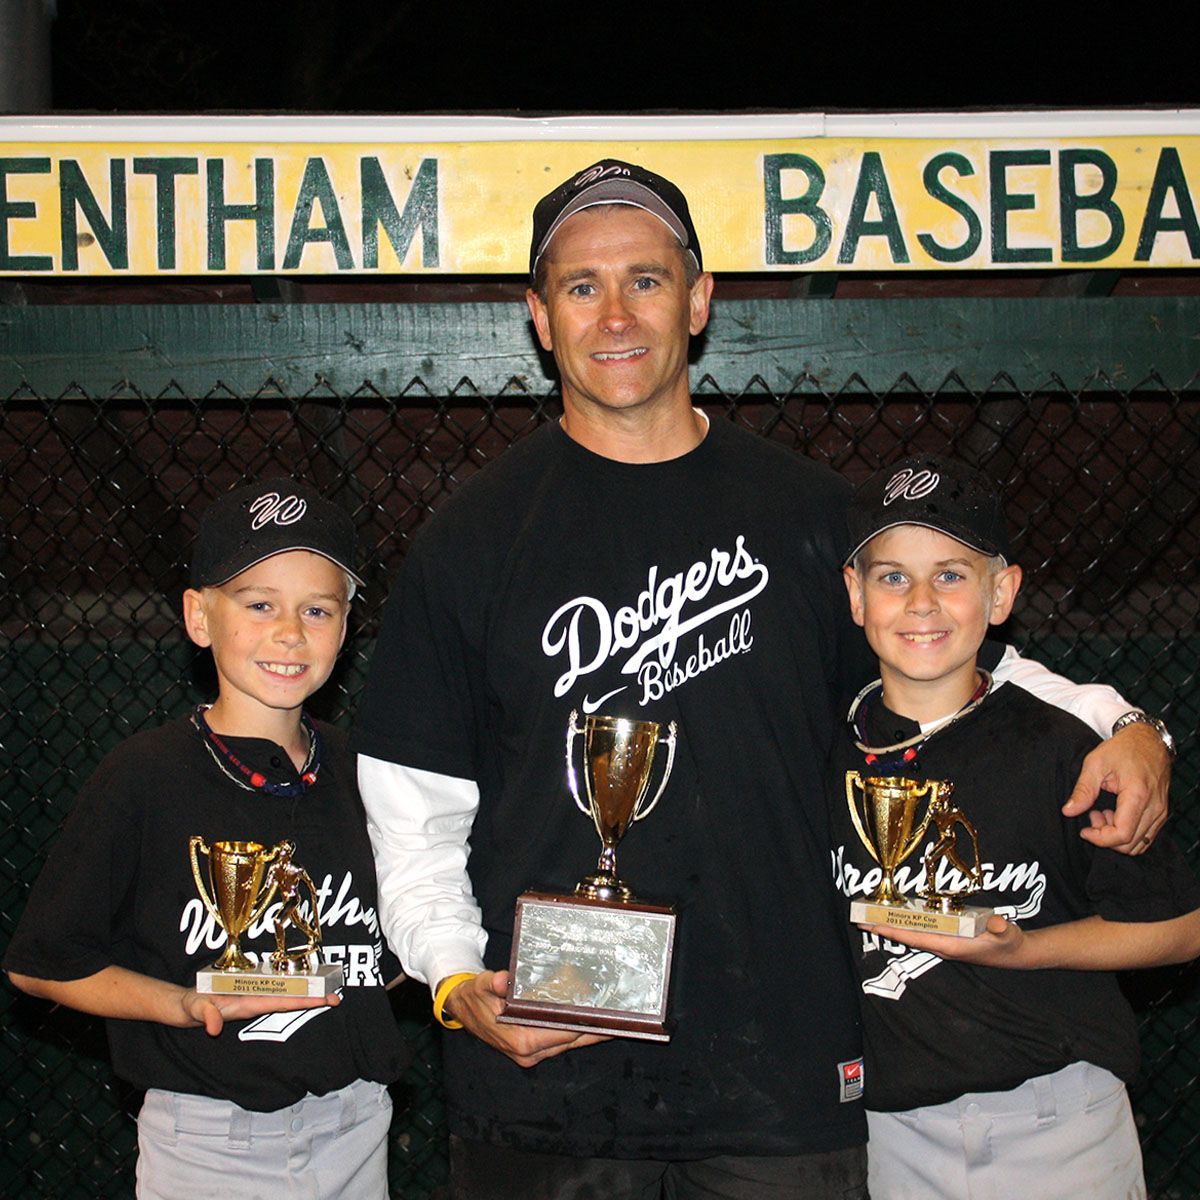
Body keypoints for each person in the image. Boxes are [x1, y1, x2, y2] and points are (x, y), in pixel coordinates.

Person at [352, 160, 1175, 1199]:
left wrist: (1133, 724)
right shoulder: (470, 540)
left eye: (646, 280)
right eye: (581, 285)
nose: (616, 313)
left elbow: (967, 670)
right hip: (545, 1075)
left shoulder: (810, 515)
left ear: (698, 302)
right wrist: (454, 977)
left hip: (778, 1077)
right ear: (538, 313)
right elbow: (412, 804)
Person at [5, 480, 407, 1200]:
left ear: (346, 628)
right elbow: (43, 965)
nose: (290, 632)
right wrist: (182, 1004)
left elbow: (393, 954)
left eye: (317, 609)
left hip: (356, 1121)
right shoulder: (145, 777)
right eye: (259, 604)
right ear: (198, 616)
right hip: (208, 1138)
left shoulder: (368, 773)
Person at [830, 455, 1200, 1199]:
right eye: (893, 576)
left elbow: (1183, 928)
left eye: (953, 574)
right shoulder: (824, 748)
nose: (922, 602)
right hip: (890, 1132)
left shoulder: (1062, 745)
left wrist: (1027, 951)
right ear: (857, 596)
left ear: (1002, 592)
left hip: (1057, 1119)